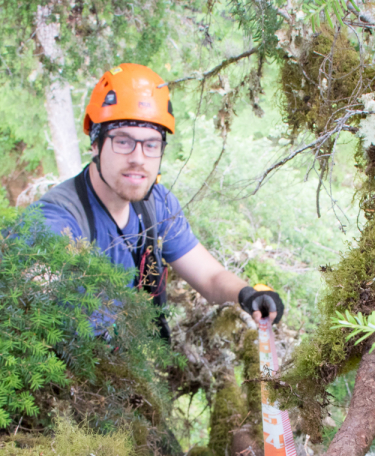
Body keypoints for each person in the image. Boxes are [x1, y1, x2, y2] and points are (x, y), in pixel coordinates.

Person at [35, 63, 283, 337]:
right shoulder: (62, 216)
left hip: (140, 366)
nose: (138, 159)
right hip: (79, 374)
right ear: (96, 142)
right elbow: (34, 279)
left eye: (151, 144)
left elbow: (211, 278)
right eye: (123, 141)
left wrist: (248, 295)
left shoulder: (157, 205)